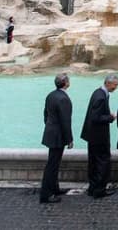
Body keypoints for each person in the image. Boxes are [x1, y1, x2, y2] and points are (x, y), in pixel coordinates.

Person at [81, 73, 118, 198]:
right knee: (103, 162)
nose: (116, 87)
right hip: (99, 136)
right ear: (108, 83)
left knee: (93, 161)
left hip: (92, 135)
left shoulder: (98, 93)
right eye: (115, 85)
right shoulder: (101, 97)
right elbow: (96, 117)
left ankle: (93, 188)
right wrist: (111, 117)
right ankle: (99, 190)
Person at [39, 73, 73, 204]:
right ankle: (46, 195)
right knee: (52, 166)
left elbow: (45, 114)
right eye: (69, 80)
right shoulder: (63, 99)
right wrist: (69, 139)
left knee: (54, 163)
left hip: (51, 132)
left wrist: (49, 127)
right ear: (65, 83)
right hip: (58, 136)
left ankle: (55, 188)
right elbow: (65, 121)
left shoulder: (51, 95)